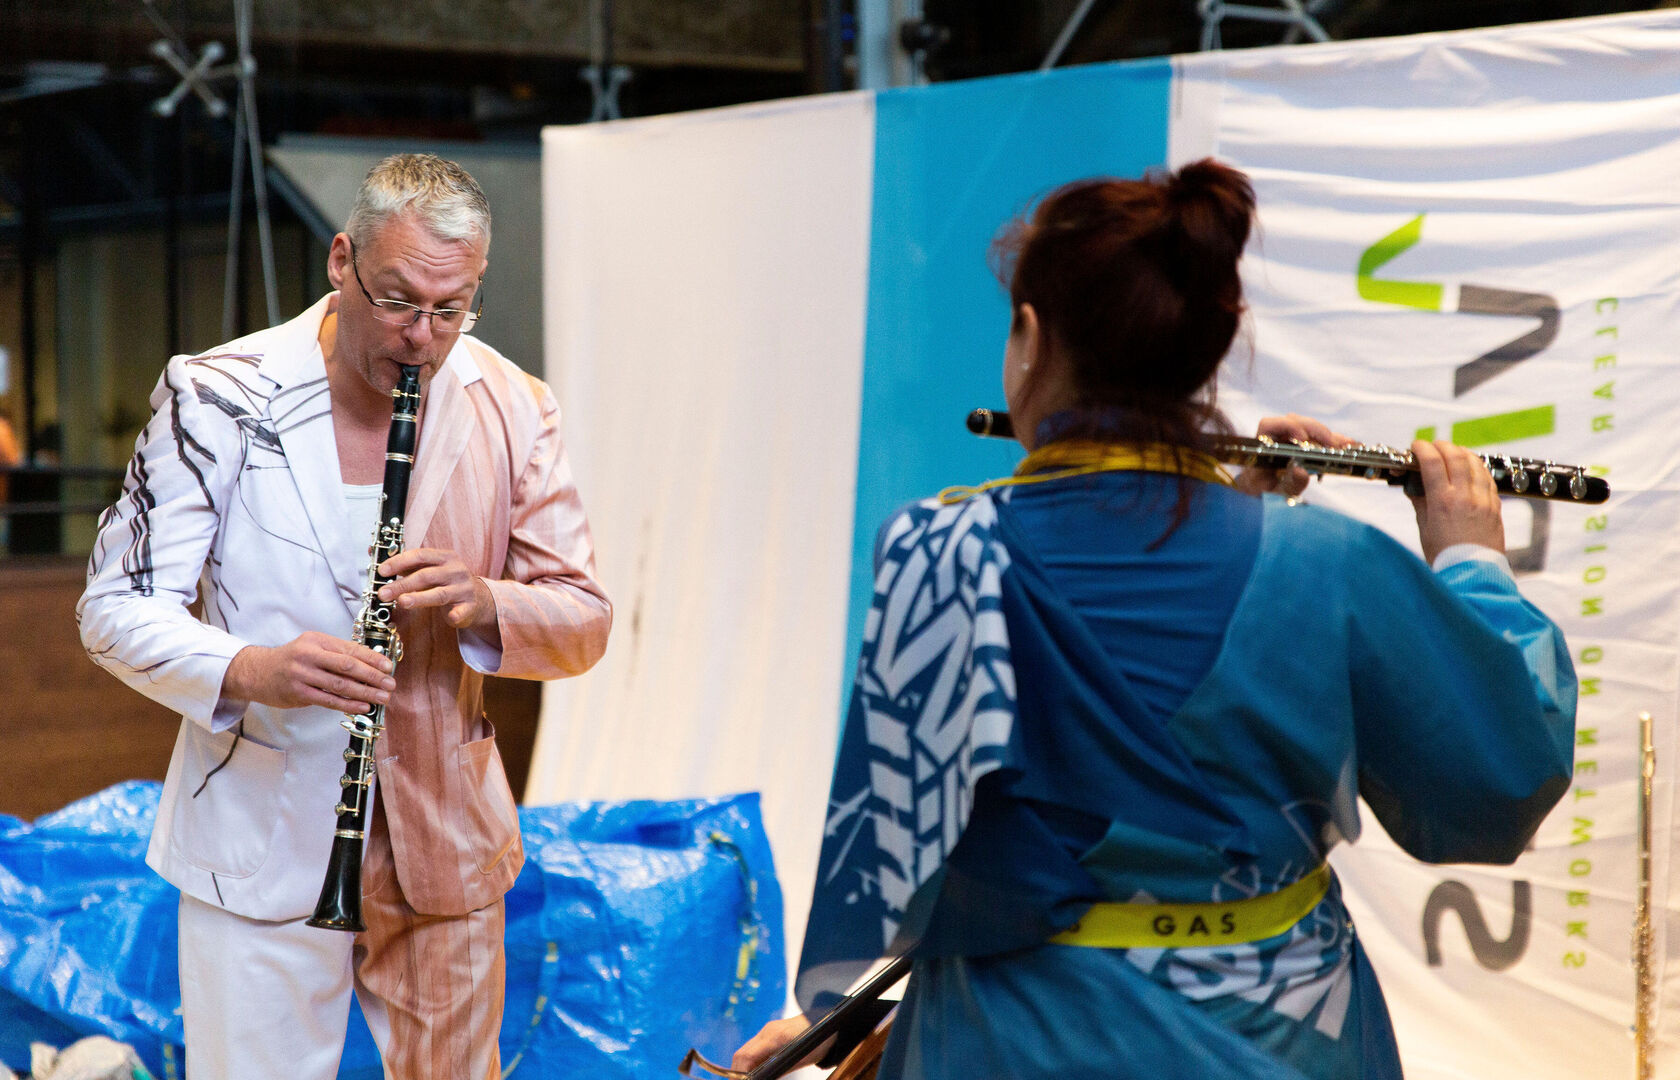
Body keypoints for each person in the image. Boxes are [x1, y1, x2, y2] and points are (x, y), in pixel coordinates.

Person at [733, 161, 1576, 1079]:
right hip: (1278, 1039)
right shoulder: (1321, 563)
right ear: (1205, 360)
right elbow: (1495, 786)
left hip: (1000, 1042)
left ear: (1030, 339)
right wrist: (1473, 562)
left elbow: (923, 860)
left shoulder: (936, 551)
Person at [78, 153, 611, 1080]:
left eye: (452, 310)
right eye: (400, 301)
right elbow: (114, 608)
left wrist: (487, 601)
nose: (423, 338)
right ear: (341, 260)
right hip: (260, 834)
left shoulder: (516, 406)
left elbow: (585, 620)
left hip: (447, 839)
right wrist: (252, 669)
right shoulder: (215, 395)